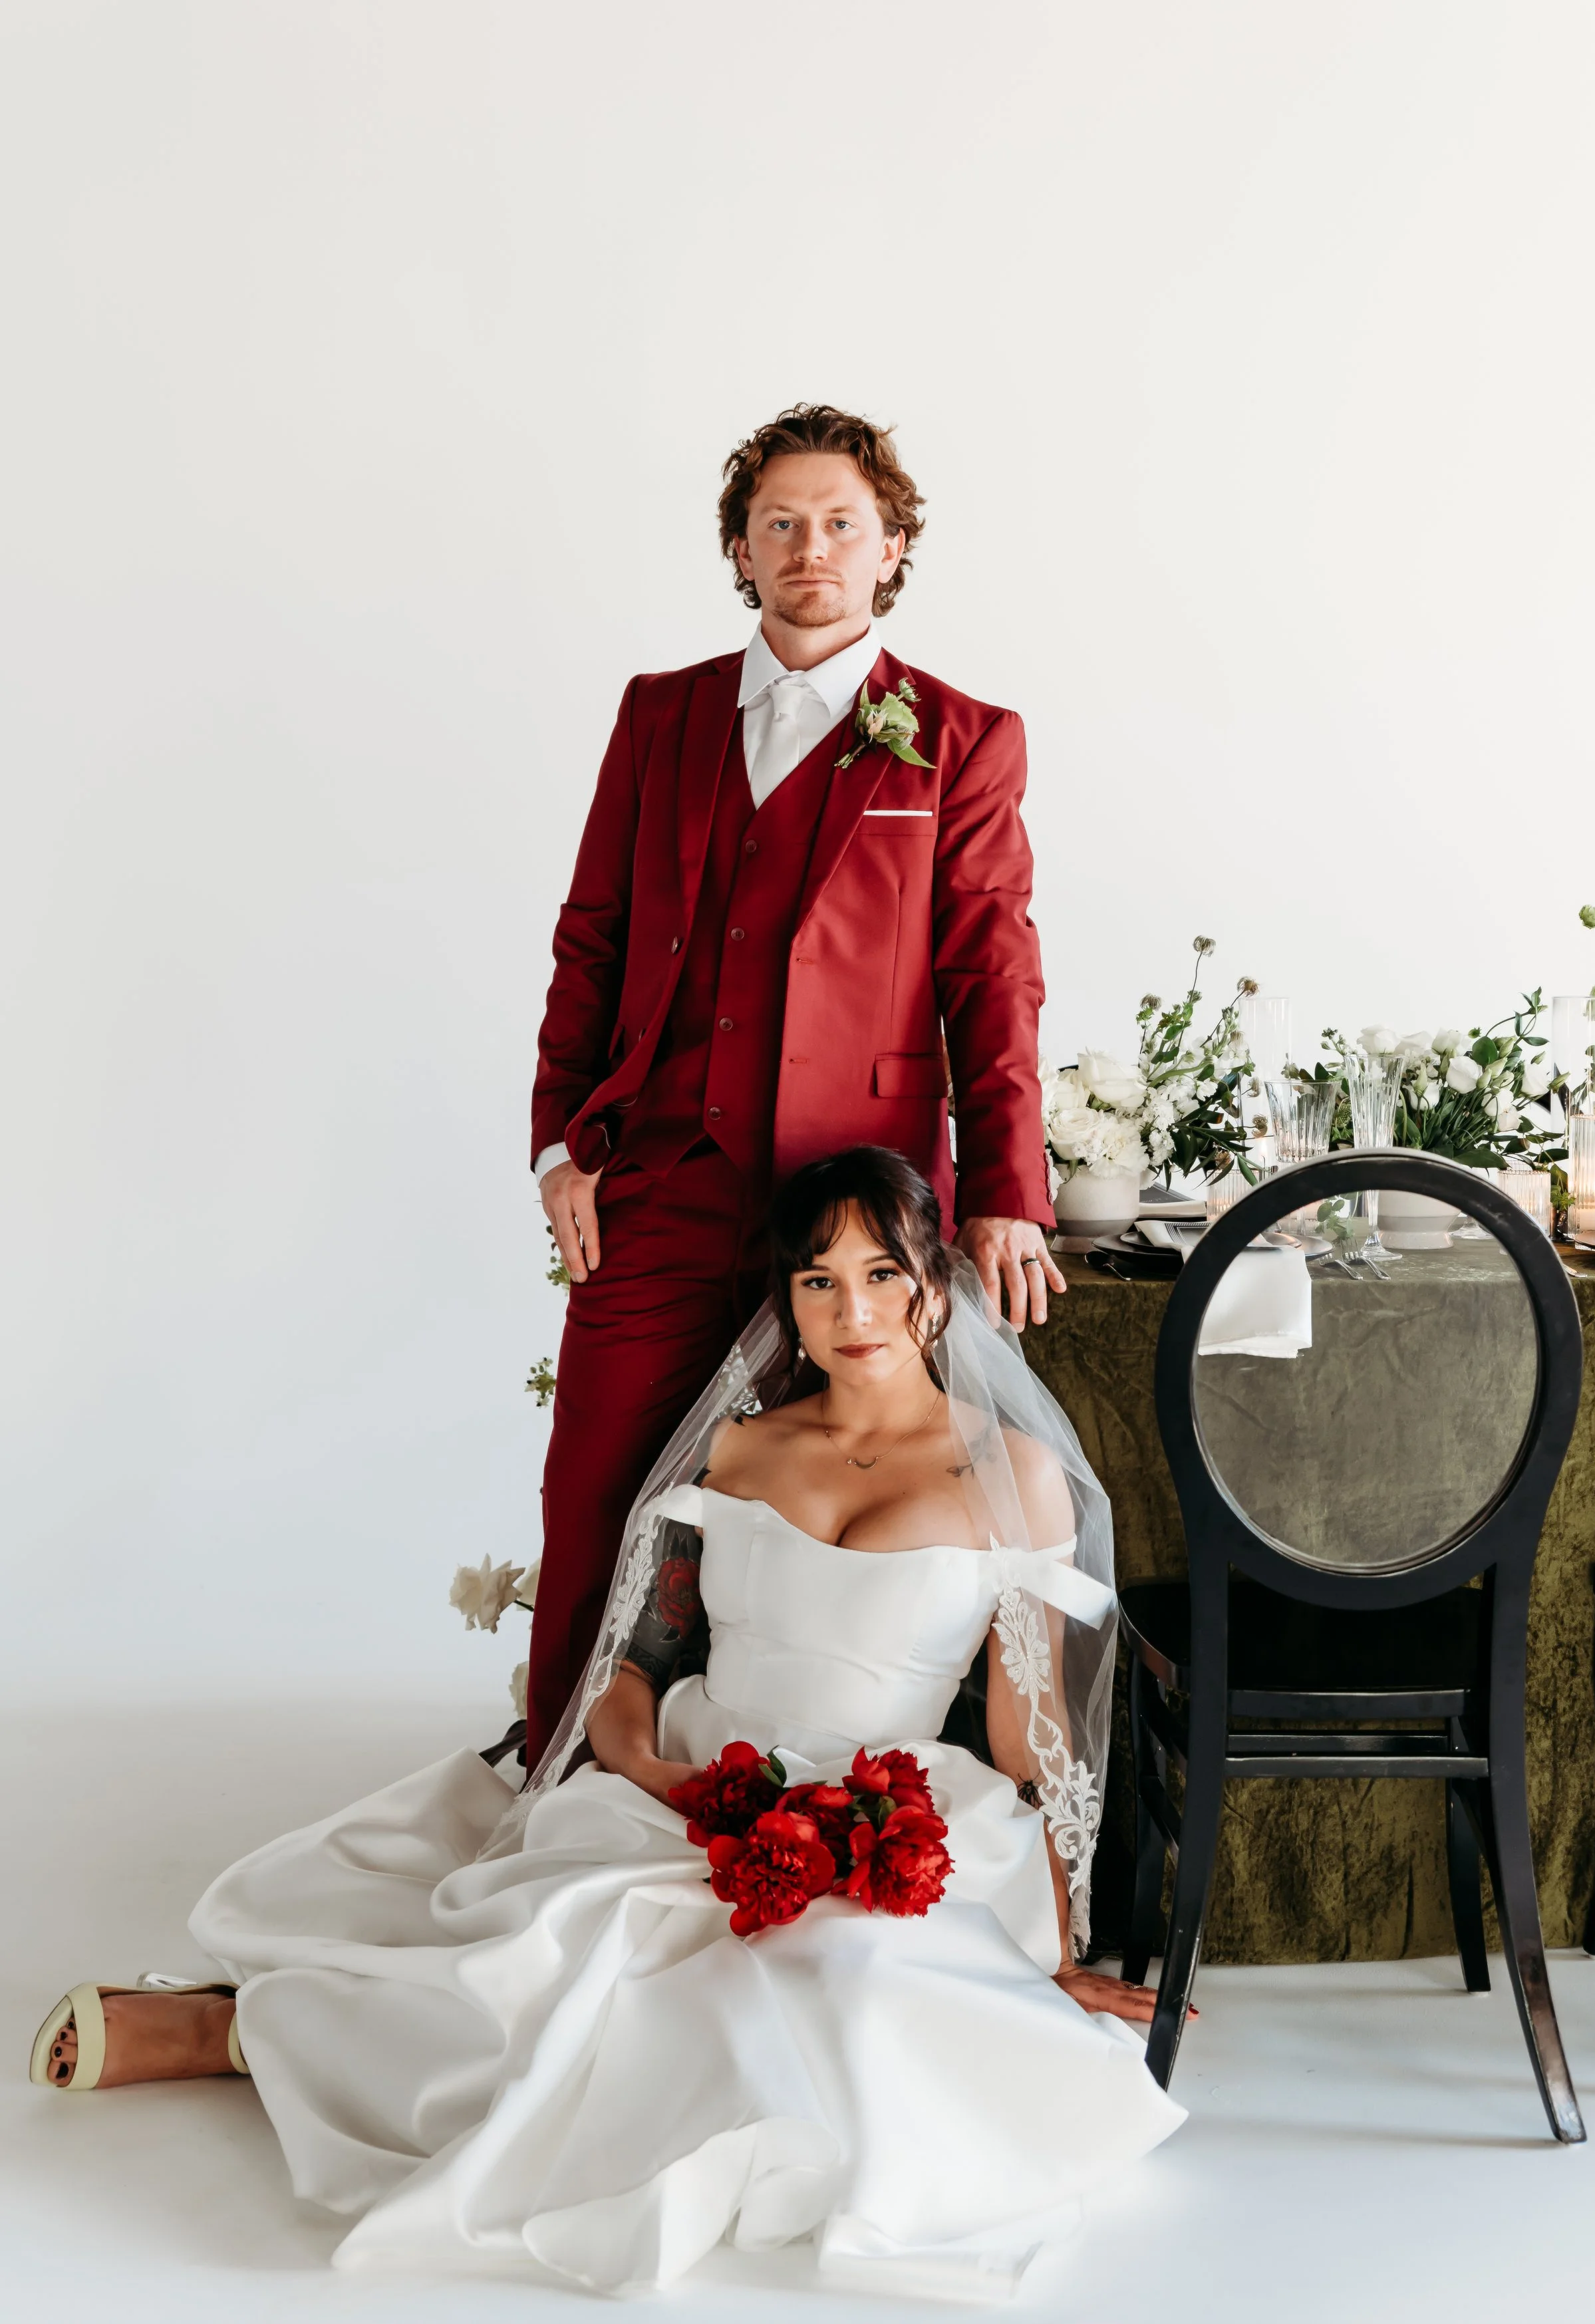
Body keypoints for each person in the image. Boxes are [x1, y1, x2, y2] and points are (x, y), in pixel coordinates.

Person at [33, 1148, 1183, 2301]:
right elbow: (638, 1665)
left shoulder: (1012, 1475)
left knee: (820, 1990)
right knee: (554, 1963)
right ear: (785, 1299)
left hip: (878, 1811)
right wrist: (650, 1769)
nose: (855, 1313)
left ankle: (267, 2038)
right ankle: (243, 2030)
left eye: (884, 1273)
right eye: (818, 1281)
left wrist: (1053, 1953)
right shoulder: (739, 1450)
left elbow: (1037, 1746)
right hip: (691, 1782)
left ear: (938, 1280)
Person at [525, 402, 1066, 1764]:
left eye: (840, 522)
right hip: (660, 1176)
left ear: (891, 549)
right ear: (741, 548)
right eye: (780, 522)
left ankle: (783, 1787)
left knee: (808, 1514)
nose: (809, 546)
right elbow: (592, 937)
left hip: (852, 1214)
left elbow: (990, 974)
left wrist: (1006, 1189)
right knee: (597, 1493)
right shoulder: (661, 716)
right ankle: (561, 1777)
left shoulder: (959, 737)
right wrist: (558, 1145)